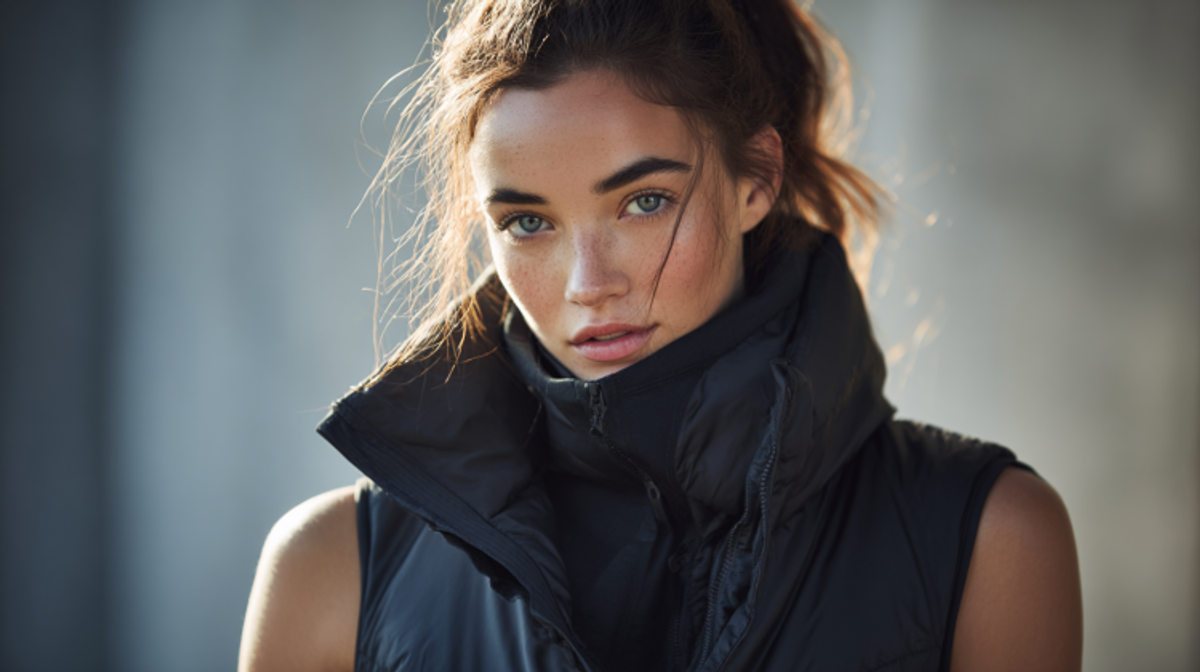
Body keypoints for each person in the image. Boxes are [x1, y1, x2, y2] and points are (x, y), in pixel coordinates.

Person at [239, 1, 1082, 670]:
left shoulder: (987, 543)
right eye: (528, 221)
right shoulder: (332, 572)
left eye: (643, 202)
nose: (587, 283)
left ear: (756, 179)